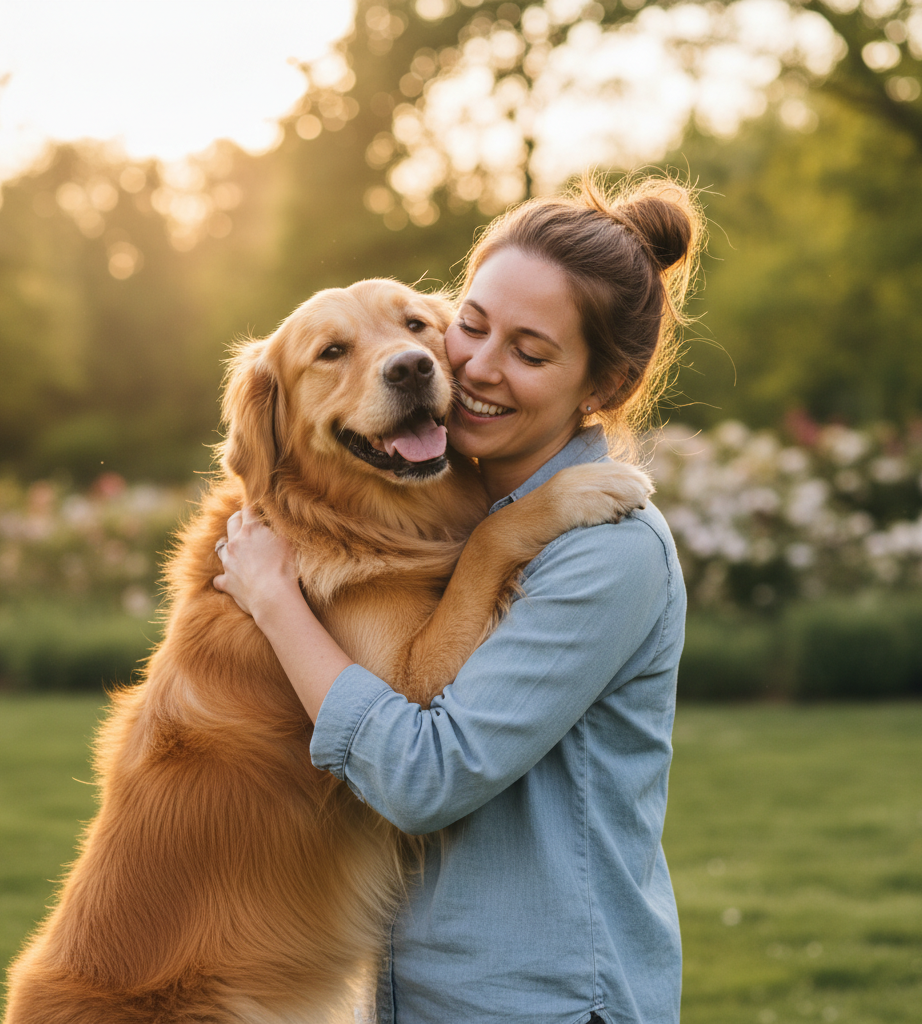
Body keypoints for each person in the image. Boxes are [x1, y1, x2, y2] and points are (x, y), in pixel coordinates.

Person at [214, 174, 701, 1024]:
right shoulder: (426, 513)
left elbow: (422, 777)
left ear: (604, 386)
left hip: (542, 1000)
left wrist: (278, 604)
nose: (472, 364)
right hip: (419, 995)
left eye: (532, 351)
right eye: (469, 326)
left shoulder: (607, 551)